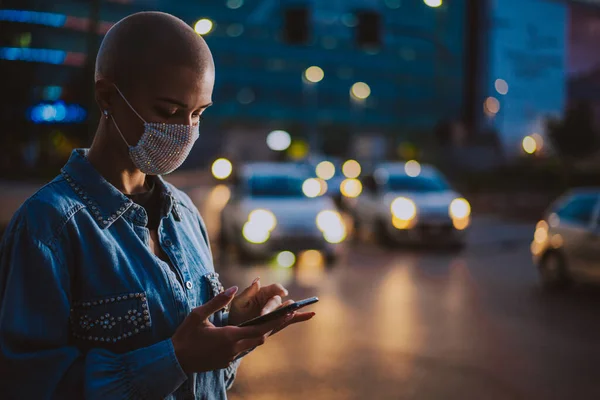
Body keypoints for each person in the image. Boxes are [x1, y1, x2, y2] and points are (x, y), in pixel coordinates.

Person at [0, 12, 314, 400]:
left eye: (197, 114)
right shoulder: (48, 226)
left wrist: (233, 331)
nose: (185, 131)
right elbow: (30, 386)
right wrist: (175, 358)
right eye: (168, 112)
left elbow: (206, 381)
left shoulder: (186, 214)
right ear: (107, 97)